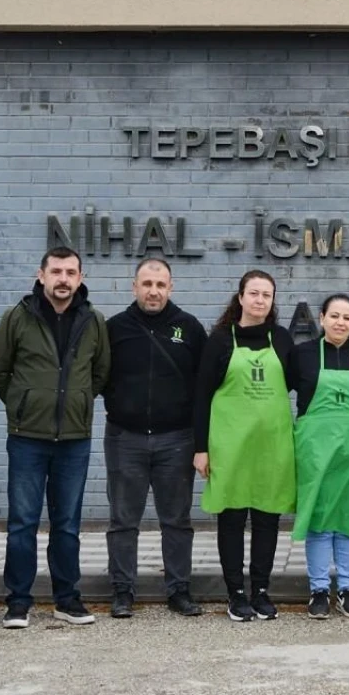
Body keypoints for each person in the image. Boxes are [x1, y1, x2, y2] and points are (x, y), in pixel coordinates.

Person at [0, 246, 110, 629]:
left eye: (70, 272)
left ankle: (66, 599)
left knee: (67, 524)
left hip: (74, 439)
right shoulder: (17, 318)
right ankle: (18, 602)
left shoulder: (93, 321)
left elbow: (100, 373)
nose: (63, 279)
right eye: (56, 271)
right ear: (41, 275)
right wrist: (23, 405)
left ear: (80, 277)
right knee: (22, 521)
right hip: (28, 438)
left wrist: (75, 403)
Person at [102, 258, 208, 619]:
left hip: (176, 439)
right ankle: (122, 590)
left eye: (160, 284)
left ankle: (178, 589)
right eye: (147, 283)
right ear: (134, 286)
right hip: (124, 437)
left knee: (176, 520)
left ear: (171, 288)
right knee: (122, 520)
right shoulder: (114, 328)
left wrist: (201, 443)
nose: (153, 291)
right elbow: (98, 378)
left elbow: (203, 388)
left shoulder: (190, 329)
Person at [193, 270, 295, 622]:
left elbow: (300, 383)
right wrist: (201, 447)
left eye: (267, 295)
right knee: (233, 519)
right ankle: (236, 594)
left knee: (268, 519)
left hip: (272, 446)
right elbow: (202, 395)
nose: (260, 300)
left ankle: (261, 591)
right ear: (240, 298)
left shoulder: (282, 339)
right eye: (254, 293)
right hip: (230, 446)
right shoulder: (220, 340)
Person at [286, 294, 349, 620]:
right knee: (320, 518)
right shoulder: (301, 354)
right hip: (315, 447)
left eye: (347, 317)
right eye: (334, 315)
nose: (340, 322)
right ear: (321, 318)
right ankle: (319, 589)